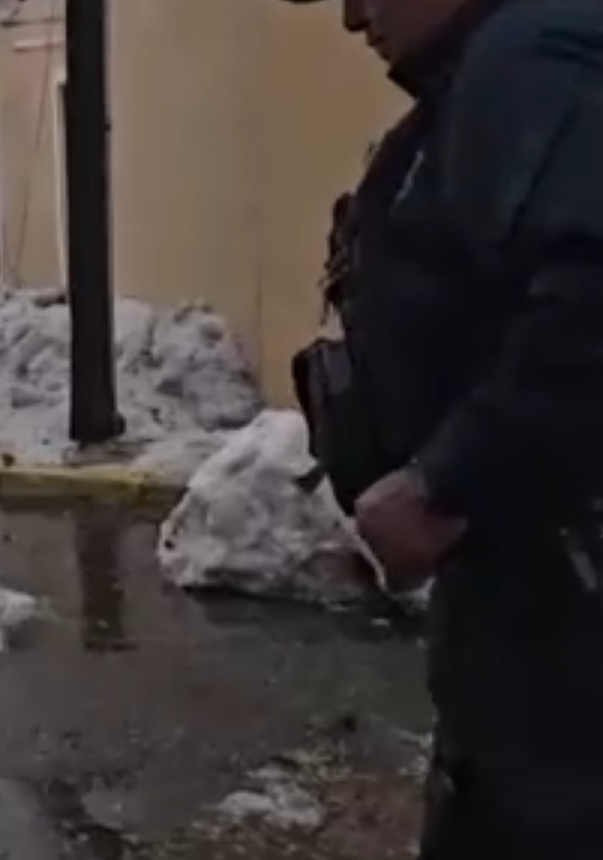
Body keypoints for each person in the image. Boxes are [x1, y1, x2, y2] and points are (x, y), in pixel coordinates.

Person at [287, 0, 603, 855]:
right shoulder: (484, 81)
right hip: (524, 630)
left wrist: (443, 482)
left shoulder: (529, 58)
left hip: (564, 648)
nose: (352, 16)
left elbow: (589, 304)